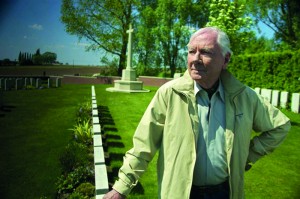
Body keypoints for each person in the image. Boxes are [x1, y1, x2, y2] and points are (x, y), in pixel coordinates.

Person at [103, 27, 291, 199]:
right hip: (181, 193)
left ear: (226, 60)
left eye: (205, 52)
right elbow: (144, 144)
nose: (195, 59)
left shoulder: (244, 97)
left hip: (225, 192)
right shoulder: (170, 93)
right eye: (192, 51)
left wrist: (246, 156)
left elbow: (280, 126)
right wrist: (121, 187)